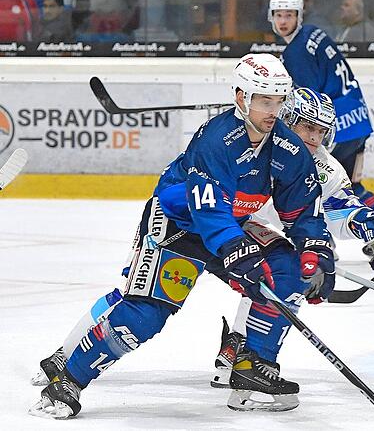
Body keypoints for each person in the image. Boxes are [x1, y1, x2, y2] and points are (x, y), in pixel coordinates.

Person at [28, 54, 337, 418]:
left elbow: (303, 210)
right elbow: (209, 210)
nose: (273, 111)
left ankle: (251, 368)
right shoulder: (216, 139)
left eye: (278, 101)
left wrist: (316, 251)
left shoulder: (288, 148)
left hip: (231, 225)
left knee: (286, 269)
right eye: (265, 101)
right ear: (242, 98)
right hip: (179, 226)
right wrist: (237, 251)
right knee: (145, 316)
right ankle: (68, 380)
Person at [210, 87, 374, 387]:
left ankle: (245, 350)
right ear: (286, 119)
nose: (314, 138)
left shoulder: (325, 168)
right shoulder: (252, 141)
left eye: (321, 131)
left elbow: (344, 209)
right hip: (218, 223)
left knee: (285, 272)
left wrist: (373, 228)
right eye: (307, 127)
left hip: (260, 230)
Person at [268, 0, 374, 206]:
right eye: (279, 15)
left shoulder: (295, 52)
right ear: (271, 17)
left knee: (315, 186)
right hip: (359, 121)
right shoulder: (312, 32)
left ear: (299, 15)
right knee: (353, 188)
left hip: (337, 128)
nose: (283, 21)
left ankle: (316, 236)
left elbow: (310, 101)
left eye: (289, 15)